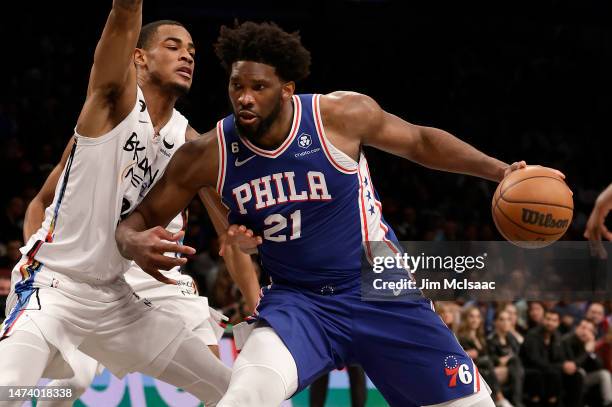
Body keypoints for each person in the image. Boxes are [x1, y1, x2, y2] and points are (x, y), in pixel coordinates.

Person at [115, 21, 563, 407]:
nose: (245, 98)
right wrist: (133, 241)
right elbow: (136, 221)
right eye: (237, 86)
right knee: (246, 394)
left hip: (379, 288)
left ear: (287, 89)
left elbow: (422, 143)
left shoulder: (339, 116)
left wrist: (502, 170)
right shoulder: (208, 154)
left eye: (258, 87)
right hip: (300, 301)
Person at [0, 2, 255, 405]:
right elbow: (123, 13)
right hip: (54, 287)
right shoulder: (111, 102)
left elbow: (230, 234)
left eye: (191, 50)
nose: (187, 55)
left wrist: (258, 307)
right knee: (9, 391)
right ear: (139, 56)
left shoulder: (190, 145)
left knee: (236, 392)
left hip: (118, 298)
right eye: (173, 46)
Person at [520, 310, 582, 407]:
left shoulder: (557, 336)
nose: (550, 323)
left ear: (558, 323)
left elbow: (563, 357)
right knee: (552, 374)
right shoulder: (532, 335)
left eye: (554, 320)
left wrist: (568, 365)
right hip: (532, 369)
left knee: (577, 375)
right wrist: (561, 366)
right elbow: (535, 360)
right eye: (548, 319)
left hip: (551, 369)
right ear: (542, 320)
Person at [562, 319, 612, 407]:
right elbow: (573, 365)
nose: (585, 332)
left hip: (585, 377)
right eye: (583, 328)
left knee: (604, 374)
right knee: (580, 373)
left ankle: (609, 403)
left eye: (589, 330)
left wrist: (592, 351)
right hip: (568, 376)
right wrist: (586, 351)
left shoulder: (589, 343)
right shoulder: (567, 340)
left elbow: (599, 365)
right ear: (576, 328)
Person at [488, 310, 524, 407]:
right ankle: (516, 401)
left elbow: (518, 351)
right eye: (502, 319)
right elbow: (490, 357)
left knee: (515, 362)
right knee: (515, 364)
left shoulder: (511, 338)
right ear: (495, 322)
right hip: (497, 368)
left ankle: (516, 401)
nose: (505, 322)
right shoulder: (491, 339)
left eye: (508, 319)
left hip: (512, 367)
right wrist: (499, 360)